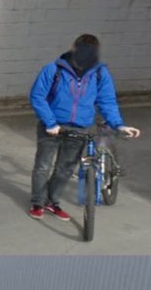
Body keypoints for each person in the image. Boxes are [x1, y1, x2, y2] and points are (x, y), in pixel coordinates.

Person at [29, 34, 140, 220]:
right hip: (52, 126)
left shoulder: (100, 74)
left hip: (80, 128)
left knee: (65, 169)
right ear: (73, 48)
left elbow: (107, 101)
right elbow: (37, 96)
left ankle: (52, 202)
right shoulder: (53, 69)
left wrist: (119, 125)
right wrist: (50, 122)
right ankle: (37, 202)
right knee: (43, 166)